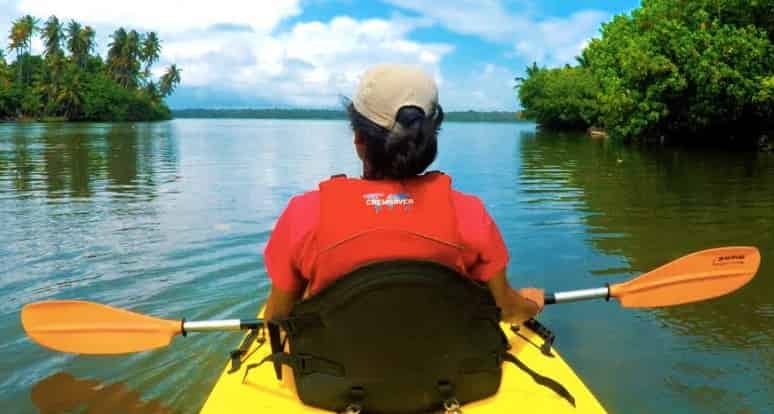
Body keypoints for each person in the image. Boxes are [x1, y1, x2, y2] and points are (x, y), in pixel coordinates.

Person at [263, 63, 544, 324]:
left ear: (359, 139)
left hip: (331, 376)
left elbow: (276, 318)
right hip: (449, 374)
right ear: (429, 137)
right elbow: (508, 310)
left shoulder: (304, 213)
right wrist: (531, 304)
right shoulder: (470, 213)